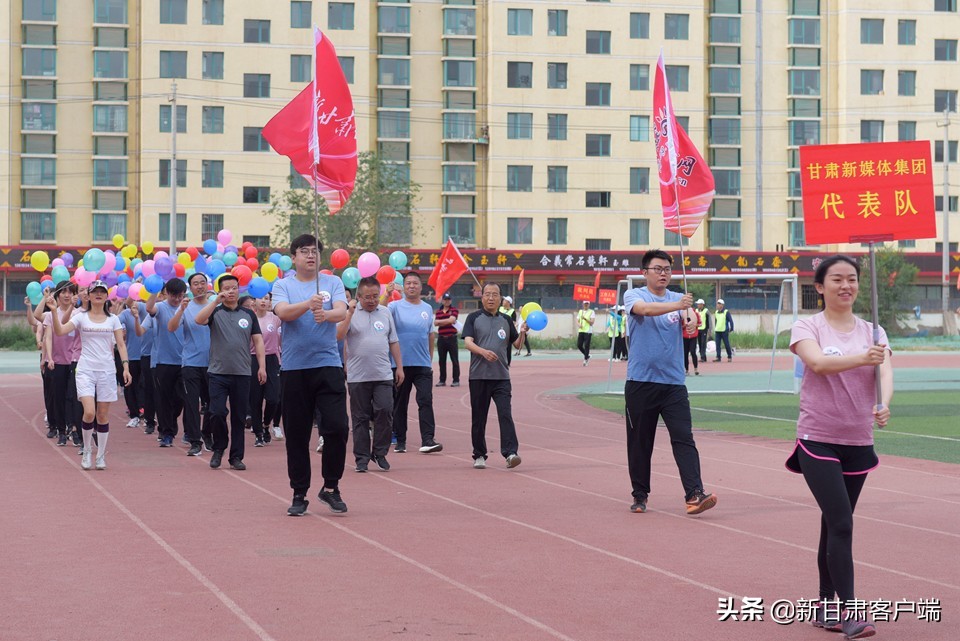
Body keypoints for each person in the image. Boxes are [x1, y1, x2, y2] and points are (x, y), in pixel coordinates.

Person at [785, 255, 891, 639]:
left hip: (858, 440)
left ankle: (823, 603)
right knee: (843, 523)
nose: (846, 286)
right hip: (817, 439)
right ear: (820, 286)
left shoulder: (873, 331)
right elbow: (817, 364)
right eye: (837, 279)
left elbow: (886, 371)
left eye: (852, 279)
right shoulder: (806, 326)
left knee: (834, 523)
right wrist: (862, 357)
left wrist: (884, 403)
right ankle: (849, 613)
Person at [623, 249, 717, 515]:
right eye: (657, 269)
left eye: (667, 269)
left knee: (684, 438)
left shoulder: (680, 298)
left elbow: (689, 320)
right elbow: (645, 310)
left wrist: (690, 322)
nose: (663, 273)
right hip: (641, 382)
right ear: (645, 272)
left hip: (674, 383)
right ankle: (640, 494)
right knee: (641, 441)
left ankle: (694, 494)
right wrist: (680, 308)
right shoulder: (634, 295)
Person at [272, 234, 350, 516]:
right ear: (293, 257)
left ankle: (330, 487)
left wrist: (325, 315)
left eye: (315, 251)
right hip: (294, 369)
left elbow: (341, 311)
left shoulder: (333, 282)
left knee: (337, 427)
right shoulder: (283, 284)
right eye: (304, 251)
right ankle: (299, 492)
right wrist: (308, 304)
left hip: (328, 365)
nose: (310, 256)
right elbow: (282, 312)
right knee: (296, 434)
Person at [45, 281, 132, 470]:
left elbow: (121, 344)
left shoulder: (113, 319)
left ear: (106, 296)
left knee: (102, 415)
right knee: (89, 412)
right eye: (95, 292)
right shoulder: (81, 317)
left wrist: (125, 366)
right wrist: (53, 310)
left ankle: (100, 455)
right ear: (89, 296)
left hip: (107, 370)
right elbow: (59, 331)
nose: (98, 295)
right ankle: (87, 450)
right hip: (85, 370)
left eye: (102, 292)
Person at [195, 273, 266, 471]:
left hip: (242, 372)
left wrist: (261, 366)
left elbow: (258, 340)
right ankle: (219, 448)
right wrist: (215, 301)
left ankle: (236, 456)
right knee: (216, 412)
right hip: (218, 372)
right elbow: (198, 320)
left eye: (234, 287)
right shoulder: (215, 312)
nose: (231, 291)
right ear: (220, 291)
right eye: (227, 288)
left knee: (239, 417)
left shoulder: (248, 314)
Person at [338, 277, 404, 472]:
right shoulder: (350, 313)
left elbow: (393, 341)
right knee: (360, 418)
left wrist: (399, 367)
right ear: (359, 296)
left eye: (375, 296)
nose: (372, 300)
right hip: (358, 376)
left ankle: (380, 452)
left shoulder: (385, 312)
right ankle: (361, 458)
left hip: (383, 373)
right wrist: (349, 314)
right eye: (367, 297)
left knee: (385, 411)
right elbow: (340, 336)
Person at [462, 283, 528, 469]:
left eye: (495, 295)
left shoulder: (506, 320)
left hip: (501, 377)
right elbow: (467, 343)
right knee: (479, 417)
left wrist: (523, 332)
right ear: (482, 297)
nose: (491, 298)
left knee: (505, 414)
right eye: (488, 294)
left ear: (500, 298)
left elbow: (517, 345)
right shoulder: (473, 318)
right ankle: (479, 454)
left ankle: (510, 453)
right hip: (479, 376)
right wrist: (483, 352)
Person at [389, 271, 443, 455]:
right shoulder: (394, 306)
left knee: (425, 400)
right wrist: (386, 294)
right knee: (400, 403)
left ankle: (428, 439)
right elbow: (378, 313)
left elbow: (430, 335)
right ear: (403, 287)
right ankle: (400, 441)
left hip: (422, 365)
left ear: (421, 287)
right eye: (408, 283)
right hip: (400, 366)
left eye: (415, 283)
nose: (411, 286)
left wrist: (429, 359)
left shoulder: (427, 309)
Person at [168, 273, 212, 456]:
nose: (200, 286)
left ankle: (207, 434)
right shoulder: (185, 307)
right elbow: (171, 328)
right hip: (190, 363)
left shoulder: (215, 305)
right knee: (192, 403)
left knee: (213, 404)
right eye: (196, 284)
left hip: (214, 364)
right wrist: (180, 310)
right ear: (190, 288)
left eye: (203, 283)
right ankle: (195, 441)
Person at [38, 281, 82, 447]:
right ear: (57, 295)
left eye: (70, 292)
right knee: (58, 397)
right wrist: (49, 357)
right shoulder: (51, 314)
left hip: (74, 361)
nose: (66, 295)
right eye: (63, 292)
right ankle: (62, 431)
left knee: (73, 398)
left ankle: (75, 429)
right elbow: (48, 337)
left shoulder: (79, 313)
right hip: (57, 362)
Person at [146, 279, 186, 447]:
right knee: (164, 399)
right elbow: (149, 308)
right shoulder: (161, 307)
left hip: (184, 361)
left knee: (181, 399)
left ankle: (171, 421)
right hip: (164, 361)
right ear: (167, 293)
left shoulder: (187, 308)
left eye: (180, 296)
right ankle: (166, 433)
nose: (176, 299)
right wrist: (154, 289)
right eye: (173, 295)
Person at [249, 293, 282, 446]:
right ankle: (258, 433)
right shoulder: (249, 318)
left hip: (272, 359)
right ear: (253, 301)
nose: (263, 301)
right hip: (253, 359)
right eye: (260, 298)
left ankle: (266, 424)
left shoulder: (275, 318)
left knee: (273, 398)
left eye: (267, 299)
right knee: (255, 399)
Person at [131, 293, 158, 435]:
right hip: (148, 355)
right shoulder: (147, 308)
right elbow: (134, 304)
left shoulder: (176, 309)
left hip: (171, 358)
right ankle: (149, 420)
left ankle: (168, 421)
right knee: (150, 389)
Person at [117, 296, 144, 428]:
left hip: (148, 355)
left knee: (146, 386)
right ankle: (134, 415)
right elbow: (114, 322)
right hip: (132, 355)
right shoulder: (126, 314)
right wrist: (122, 305)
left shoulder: (150, 311)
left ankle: (148, 415)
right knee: (130, 386)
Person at [434, 292, 462, 385]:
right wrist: (447, 321)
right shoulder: (438, 311)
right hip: (441, 339)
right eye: (445, 299)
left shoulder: (454, 310)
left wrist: (441, 322)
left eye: (448, 299)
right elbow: (435, 323)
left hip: (451, 338)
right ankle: (442, 380)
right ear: (442, 301)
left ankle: (456, 380)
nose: (447, 301)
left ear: (451, 300)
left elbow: (452, 320)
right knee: (442, 360)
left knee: (454, 360)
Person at [682, 307, 701, 376]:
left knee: (693, 352)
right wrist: (685, 325)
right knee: (685, 353)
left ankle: (696, 369)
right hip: (685, 336)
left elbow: (700, 323)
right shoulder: (682, 314)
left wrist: (694, 325)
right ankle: (686, 370)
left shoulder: (695, 314)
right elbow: (680, 325)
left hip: (693, 336)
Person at [576, 300, 595, 366]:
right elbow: (577, 320)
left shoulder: (591, 312)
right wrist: (579, 325)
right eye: (585, 304)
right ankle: (587, 355)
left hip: (588, 331)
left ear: (589, 304)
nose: (586, 305)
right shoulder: (580, 311)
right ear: (583, 304)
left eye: (587, 304)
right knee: (579, 345)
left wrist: (585, 319)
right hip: (581, 330)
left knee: (586, 345)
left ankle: (585, 359)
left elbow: (592, 322)